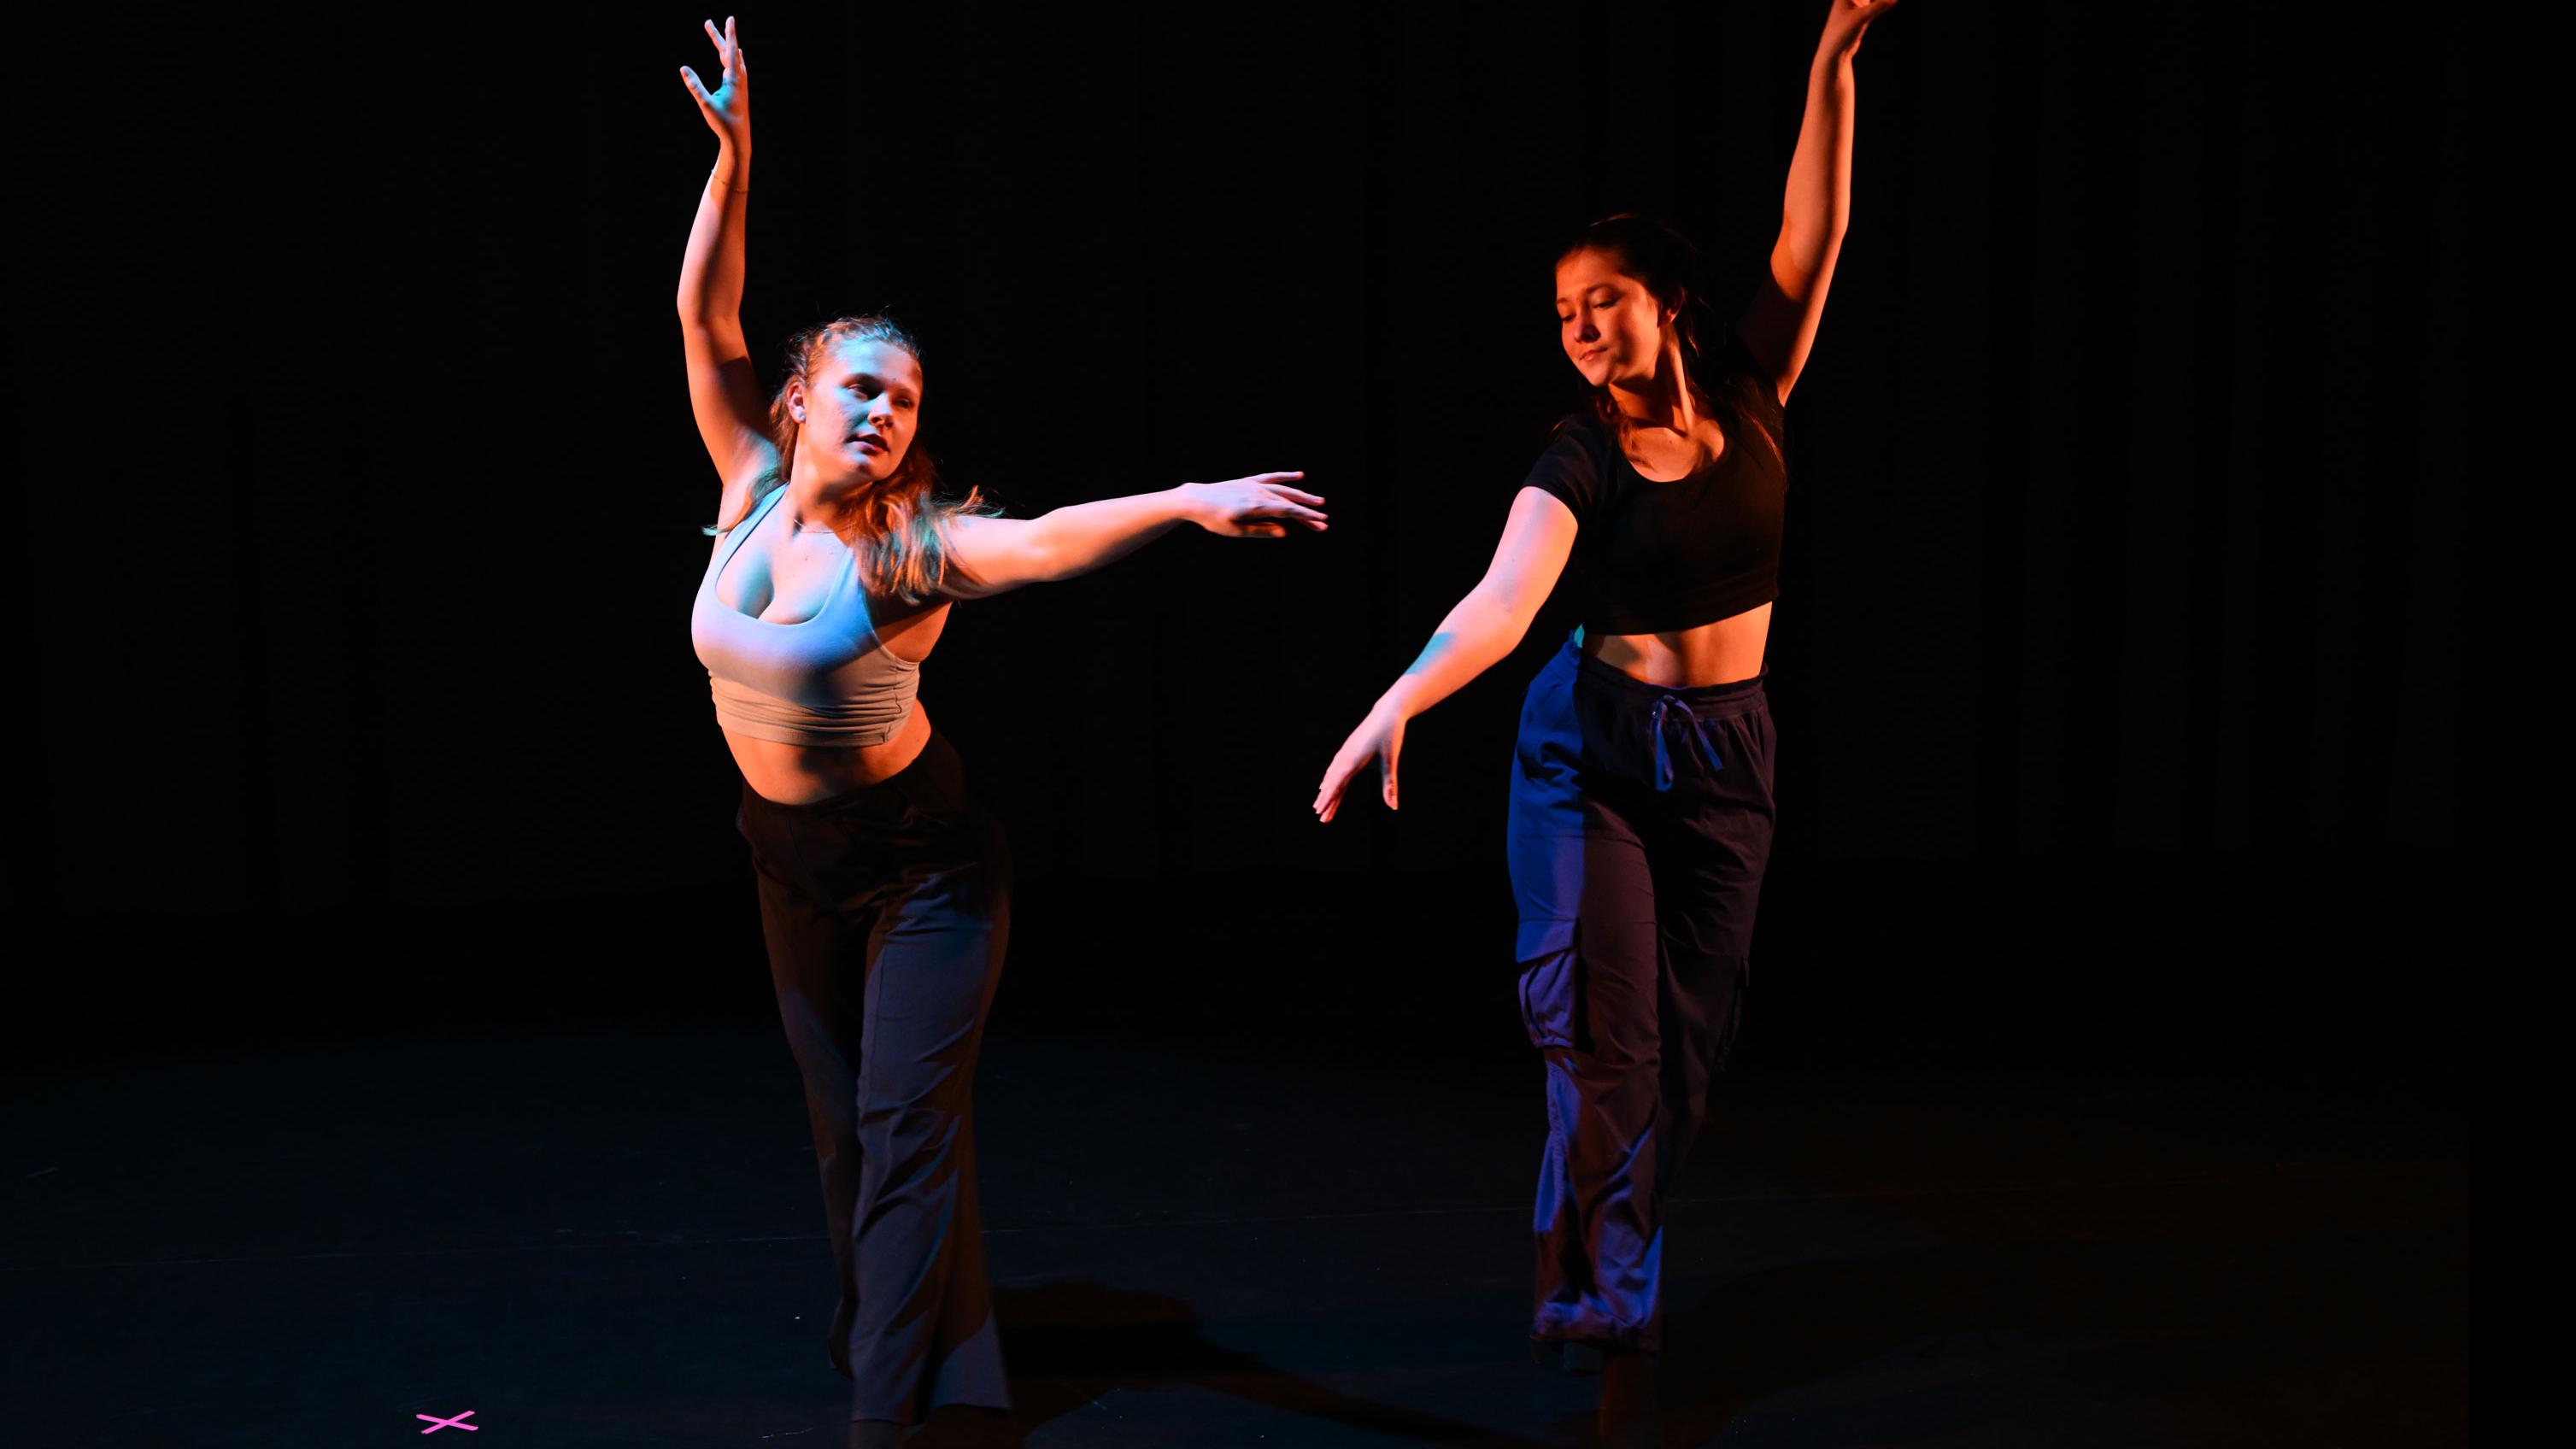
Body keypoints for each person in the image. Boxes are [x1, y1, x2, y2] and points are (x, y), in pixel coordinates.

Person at [674, 20, 1325, 1446]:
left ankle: (886, 1417)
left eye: (904, 403)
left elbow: (1043, 540)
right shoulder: (745, 476)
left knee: (908, 1131)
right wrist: (732, 160)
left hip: (928, 869)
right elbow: (706, 323)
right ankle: (931, 1356)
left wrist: (1183, 499)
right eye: (860, 387)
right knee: (851, 1134)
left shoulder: (915, 552)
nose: (885, 415)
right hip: (786, 857)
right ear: (800, 399)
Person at [1311, 3, 1897, 1441]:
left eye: (1602, 303)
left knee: (1684, 1046)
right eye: (1563, 315)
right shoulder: (1579, 453)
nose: (1577, 331)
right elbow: (1506, 606)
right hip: (1594, 752)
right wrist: (1398, 702)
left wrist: (1829, 60)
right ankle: (1608, 1303)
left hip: (1727, 752)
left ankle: (1584, 1252)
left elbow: (1808, 242)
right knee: (1607, 1037)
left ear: (1668, 302)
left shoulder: (1757, 387)